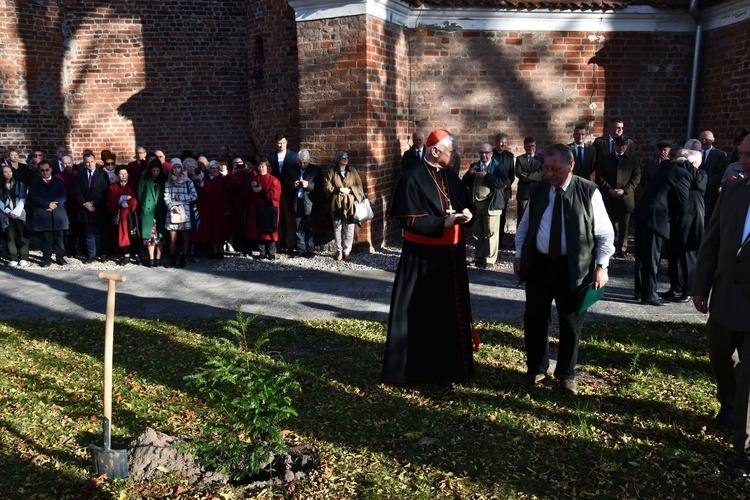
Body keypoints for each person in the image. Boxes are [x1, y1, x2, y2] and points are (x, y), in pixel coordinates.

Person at [514, 144, 614, 394]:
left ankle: (566, 374)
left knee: (571, 323)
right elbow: (524, 227)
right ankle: (536, 368)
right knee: (535, 318)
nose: (549, 173)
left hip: (574, 267)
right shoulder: (538, 190)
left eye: (555, 168)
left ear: (570, 166)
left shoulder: (588, 191)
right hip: (539, 264)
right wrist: (518, 255)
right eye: (546, 168)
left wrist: (602, 265)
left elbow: (604, 234)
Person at [383, 129, 478, 386]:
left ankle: (452, 370)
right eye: (451, 151)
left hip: (451, 258)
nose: (456, 155)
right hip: (422, 258)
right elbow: (408, 220)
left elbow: (465, 203)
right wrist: (443, 222)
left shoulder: (452, 177)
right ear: (435, 151)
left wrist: (468, 214)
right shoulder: (411, 178)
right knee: (423, 314)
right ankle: (419, 372)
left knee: (449, 314)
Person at [692, 133, 750, 478]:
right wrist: (700, 287)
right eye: (741, 154)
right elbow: (711, 237)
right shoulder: (734, 187)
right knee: (719, 355)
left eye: (748, 156)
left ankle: (743, 453)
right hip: (725, 296)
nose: (741, 161)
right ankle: (729, 407)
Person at [633, 149, 689, 305]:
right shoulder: (683, 172)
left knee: (642, 257)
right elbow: (683, 204)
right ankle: (649, 295)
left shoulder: (664, 165)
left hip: (643, 213)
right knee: (651, 257)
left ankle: (640, 291)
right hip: (656, 218)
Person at [663, 149, 705, 302]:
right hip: (676, 219)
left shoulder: (701, 174)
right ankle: (675, 287)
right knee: (673, 254)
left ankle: (688, 290)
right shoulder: (680, 173)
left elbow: (697, 182)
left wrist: (689, 165)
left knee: (687, 256)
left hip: (691, 221)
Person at [462, 143, 507, 269]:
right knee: (478, 233)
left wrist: (487, 176)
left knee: (491, 233)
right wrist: (469, 174)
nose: (484, 155)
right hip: (476, 205)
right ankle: (479, 257)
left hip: (491, 205)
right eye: (481, 152)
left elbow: (502, 183)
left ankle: (490, 259)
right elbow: (464, 183)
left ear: (491, 153)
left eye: (486, 152)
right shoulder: (475, 166)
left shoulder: (498, 167)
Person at [596, 135, 641, 257]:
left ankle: (622, 248)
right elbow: (600, 176)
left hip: (625, 198)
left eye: (624, 145)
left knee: (624, 225)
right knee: (610, 223)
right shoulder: (606, 159)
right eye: (619, 145)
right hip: (609, 197)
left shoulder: (633, 159)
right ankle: (612, 246)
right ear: (614, 145)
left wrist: (624, 190)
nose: (622, 148)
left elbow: (636, 178)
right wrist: (608, 189)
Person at [323, 150, 364, 261]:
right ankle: (339, 251)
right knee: (337, 227)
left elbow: (359, 187)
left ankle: (347, 251)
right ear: (338, 159)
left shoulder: (353, 171)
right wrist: (338, 190)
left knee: (349, 227)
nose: (345, 159)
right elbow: (326, 186)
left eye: (347, 157)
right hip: (336, 203)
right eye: (343, 157)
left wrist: (349, 190)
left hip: (349, 204)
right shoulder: (332, 171)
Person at [28, 161, 69, 267]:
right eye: (42, 170)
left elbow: (63, 194)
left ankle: (60, 257)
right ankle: (47, 258)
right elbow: (34, 197)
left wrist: (55, 204)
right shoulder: (35, 182)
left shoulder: (58, 181)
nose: (45, 172)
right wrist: (47, 204)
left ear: (51, 169)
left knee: (59, 237)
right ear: (39, 171)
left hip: (57, 212)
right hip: (43, 212)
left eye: (47, 170)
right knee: (46, 237)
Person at [74, 151, 110, 263]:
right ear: (84, 163)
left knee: (102, 232)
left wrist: (94, 203)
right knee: (88, 233)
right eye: (87, 162)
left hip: (99, 208)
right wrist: (85, 204)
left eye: (92, 162)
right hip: (85, 208)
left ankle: (104, 254)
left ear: (95, 161)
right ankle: (91, 255)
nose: (90, 164)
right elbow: (77, 192)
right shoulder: (80, 175)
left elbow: (104, 192)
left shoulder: (102, 174)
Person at [284, 149, 321, 258]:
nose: (302, 164)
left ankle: (310, 249)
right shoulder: (292, 169)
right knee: (297, 226)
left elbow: (320, 186)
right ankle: (301, 248)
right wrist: (292, 185)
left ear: (309, 160)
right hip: (297, 201)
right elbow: (285, 184)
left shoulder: (315, 170)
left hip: (309, 202)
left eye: (304, 162)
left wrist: (308, 185)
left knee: (310, 226)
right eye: (300, 162)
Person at [164, 159, 198, 268]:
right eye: (174, 167)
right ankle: (172, 259)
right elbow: (166, 197)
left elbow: (194, 195)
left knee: (185, 237)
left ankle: (183, 258)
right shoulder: (168, 182)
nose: (177, 170)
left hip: (185, 211)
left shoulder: (188, 181)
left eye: (178, 167)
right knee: (172, 238)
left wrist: (181, 198)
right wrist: (172, 207)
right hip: (173, 211)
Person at [269, 133, 299, 253]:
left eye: (283, 142)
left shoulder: (293, 156)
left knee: (290, 219)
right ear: (276, 143)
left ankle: (290, 245)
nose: (281, 145)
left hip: (289, 191)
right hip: (275, 192)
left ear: (287, 142)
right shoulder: (271, 157)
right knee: (277, 220)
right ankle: (277, 244)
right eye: (279, 143)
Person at [247, 158, 281, 260]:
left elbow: (275, 195)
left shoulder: (273, 180)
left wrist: (262, 191)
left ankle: (271, 253)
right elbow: (246, 192)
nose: (261, 168)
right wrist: (251, 188)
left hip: (269, 209)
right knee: (259, 230)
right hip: (257, 208)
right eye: (259, 166)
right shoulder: (254, 179)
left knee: (270, 231)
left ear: (267, 167)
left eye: (263, 166)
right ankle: (262, 252)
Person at [138, 158, 167, 267]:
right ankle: (151, 259)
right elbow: (140, 193)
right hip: (148, 209)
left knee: (160, 235)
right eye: (153, 171)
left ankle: (158, 259)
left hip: (160, 208)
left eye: (157, 171)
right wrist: (144, 204)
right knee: (150, 236)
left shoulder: (163, 178)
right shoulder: (144, 178)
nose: (155, 173)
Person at [106, 167, 139, 265]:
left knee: (134, 232)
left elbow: (135, 198)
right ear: (117, 175)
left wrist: (128, 203)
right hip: (121, 215)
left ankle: (136, 254)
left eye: (125, 173)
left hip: (132, 213)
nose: (123, 176)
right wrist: (121, 198)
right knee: (124, 233)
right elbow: (110, 201)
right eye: (121, 174)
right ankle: (126, 254)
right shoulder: (113, 187)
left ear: (128, 174)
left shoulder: (133, 185)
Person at [0, 165, 29, 267]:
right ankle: (13, 257)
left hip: (19, 213)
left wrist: (16, 212)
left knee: (22, 235)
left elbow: (22, 198)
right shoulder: (1, 186)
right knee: (10, 235)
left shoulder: (19, 184)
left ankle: (24, 257)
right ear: (2, 174)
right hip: (6, 214)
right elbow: (0, 201)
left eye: (10, 171)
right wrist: (8, 212)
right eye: (5, 172)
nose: (8, 173)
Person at [202, 160, 231, 258]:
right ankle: (214, 250)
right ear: (209, 170)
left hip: (220, 208)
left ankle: (220, 250)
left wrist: (226, 208)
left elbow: (226, 195)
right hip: (209, 208)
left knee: (221, 230)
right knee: (211, 229)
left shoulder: (223, 180)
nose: (215, 170)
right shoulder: (205, 180)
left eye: (216, 168)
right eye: (213, 168)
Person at [699, 129, 729, 219]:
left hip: (711, 191)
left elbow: (721, 173)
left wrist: (705, 183)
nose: (703, 142)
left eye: (706, 139)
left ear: (713, 140)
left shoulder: (720, 155)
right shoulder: (695, 152)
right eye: (701, 139)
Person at [492, 132, 514, 248]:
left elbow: (511, 175)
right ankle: (491, 241)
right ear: (496, 142)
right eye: (501, 142)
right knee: (491, 217)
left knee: (502, 217)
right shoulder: (490, 154)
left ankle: (499, 242)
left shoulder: (510, 156)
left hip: (504, 192)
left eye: (505, 142)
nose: (503, 144)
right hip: (492, 190)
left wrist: (506, 184)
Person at [54, 155, 80, 257]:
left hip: (77, 205)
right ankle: (66, 250)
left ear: (72, 163)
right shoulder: (58, 177)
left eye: (69, 163)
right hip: (64, 206)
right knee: (66, 229)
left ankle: (76, 250)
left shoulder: (78, 174)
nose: (67, 165)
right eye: (65, 163)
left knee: (77, 228)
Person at [515, 137, 544, 226]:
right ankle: (520, 238)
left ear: (535, 146)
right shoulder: (520, 159)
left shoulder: (541, 158)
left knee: (536, 217)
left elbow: (542, 172)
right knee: (522, 217)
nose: (530, 148)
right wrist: (533, 177)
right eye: (528, 146)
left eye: (533, 146)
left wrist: (528, 177)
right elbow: (519, 173)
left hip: (537, 191)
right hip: (524, 193)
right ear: (524, 147)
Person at [228, 155, 253, 256]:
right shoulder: (231, 175)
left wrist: (248, 171)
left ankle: (249, 247)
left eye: (240, 164)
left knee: (248, 224)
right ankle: (240, 246)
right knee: (238, 226)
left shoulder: (248, 174)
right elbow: (229, 189)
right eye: (235, 164)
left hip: (247, 203)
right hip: (236, 203)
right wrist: (233, 174)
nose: (238, 166)